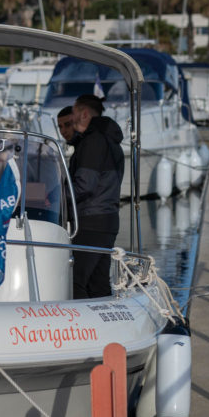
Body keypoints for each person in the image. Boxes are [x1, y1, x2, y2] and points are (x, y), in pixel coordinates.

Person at [68, 94, 124, 299]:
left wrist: (55, 201)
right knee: (97, 284)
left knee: (75, 281)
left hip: (91, 220)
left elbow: (85, 185)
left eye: (73, 112)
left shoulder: (93, 141)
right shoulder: (109, 141)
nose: (71, 118)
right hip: (106, 220)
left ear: (84, 114)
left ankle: (77, 330)